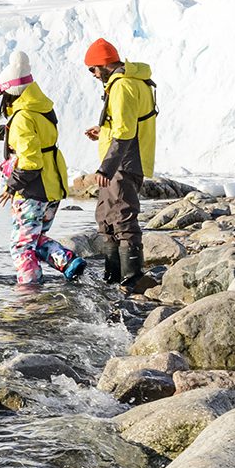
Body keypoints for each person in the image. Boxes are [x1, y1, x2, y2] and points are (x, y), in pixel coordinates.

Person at [0, 51, 83, 288]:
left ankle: (30, 292)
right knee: (33, 239)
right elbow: (29, 136)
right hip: (52, 187)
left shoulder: (22, 117)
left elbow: (31, 161)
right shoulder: (41, 108)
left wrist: (12, 185)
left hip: (33, 191)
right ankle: (66, 261)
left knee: (21, 246)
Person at [81, 39, 158, 291]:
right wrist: (102, 130)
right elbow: (122, 124)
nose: (92, 74)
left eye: (92, 69)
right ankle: (113, 278)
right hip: (120, 161)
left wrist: (106, 168)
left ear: (104, 64)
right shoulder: (125, 83)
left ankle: (132, 278)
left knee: (123, 218)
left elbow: (125, 132)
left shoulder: (123, 86)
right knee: (106, 217)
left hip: (123, 163)